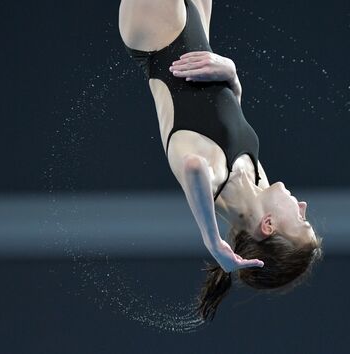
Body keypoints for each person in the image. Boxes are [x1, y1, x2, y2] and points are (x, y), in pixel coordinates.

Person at [119, 0, 323, 322]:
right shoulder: (258, 180)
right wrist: (232, 73)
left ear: (268, 225)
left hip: (159, 39)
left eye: (301, 220)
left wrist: (212, 240)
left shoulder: (214, 181)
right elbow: (229, 107)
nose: (303, 206)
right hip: (197, 29)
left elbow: (193, 168)